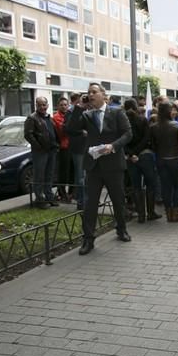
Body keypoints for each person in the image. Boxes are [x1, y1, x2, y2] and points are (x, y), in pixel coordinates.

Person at [67, 83, 133, 255]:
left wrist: (113, 146)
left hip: (113, 165)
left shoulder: (117, 112)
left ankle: (121, 229)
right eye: (89, 92)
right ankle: (88, 239)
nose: (91, 95)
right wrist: (78, 107)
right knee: (90, 204)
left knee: (118, 200)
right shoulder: (86, 114)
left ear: (104, 95)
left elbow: (128, 134)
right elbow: (71, 129)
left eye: (94, 92)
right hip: (93, 166)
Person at [124, 98, 161, 224]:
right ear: (136, 107)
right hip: (144, 155)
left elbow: (122, 141)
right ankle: (150, 212)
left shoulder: (122, 122)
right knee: (150, 184)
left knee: (136, 186)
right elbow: (146, 138)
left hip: (130, 159)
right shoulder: (142, 120)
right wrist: (137, 152)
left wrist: (131, 153)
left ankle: (140, 215)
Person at [151, 102, 178, 222]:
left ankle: (169, 213)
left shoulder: (154, 127)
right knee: (177, 186)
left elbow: (153, 146)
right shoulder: (176, 125)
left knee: (165, 187)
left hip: (161, 160)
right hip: (175, 159)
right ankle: (175, 212)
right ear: (168, 112)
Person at [24, 97, 59, 209]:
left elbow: (53, 132)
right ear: (36, 105)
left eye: (44, 105)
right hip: (40, 152)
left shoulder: (49, 118)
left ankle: (49, 196)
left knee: (49, 175)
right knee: (39, 176)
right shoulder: (32, 118)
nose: (42, 107)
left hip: (51, 150)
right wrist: (38, 147)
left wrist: (56, 145)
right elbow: (28, 135)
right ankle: (39, 199)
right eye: (40, 105)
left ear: (47, 105)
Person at [64, 93, 88, 210]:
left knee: (87, 175)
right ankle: (82, 202)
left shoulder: (91, 110)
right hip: (78, 147)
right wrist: (81, 132)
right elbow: (68, 128)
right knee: (81, 176)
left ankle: (87, 198)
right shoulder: (72, 111)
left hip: (90, 147)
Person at [52, 97, 72, 203]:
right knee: (63, 173)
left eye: (65, 105)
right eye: (62, 105)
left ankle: (71, 193)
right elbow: (64, 131)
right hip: (63, 147)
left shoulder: (69, 115)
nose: (64, 106)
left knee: (71, 172)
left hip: (72, 147)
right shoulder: (56, 117)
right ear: (58, 106)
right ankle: (62, 193)